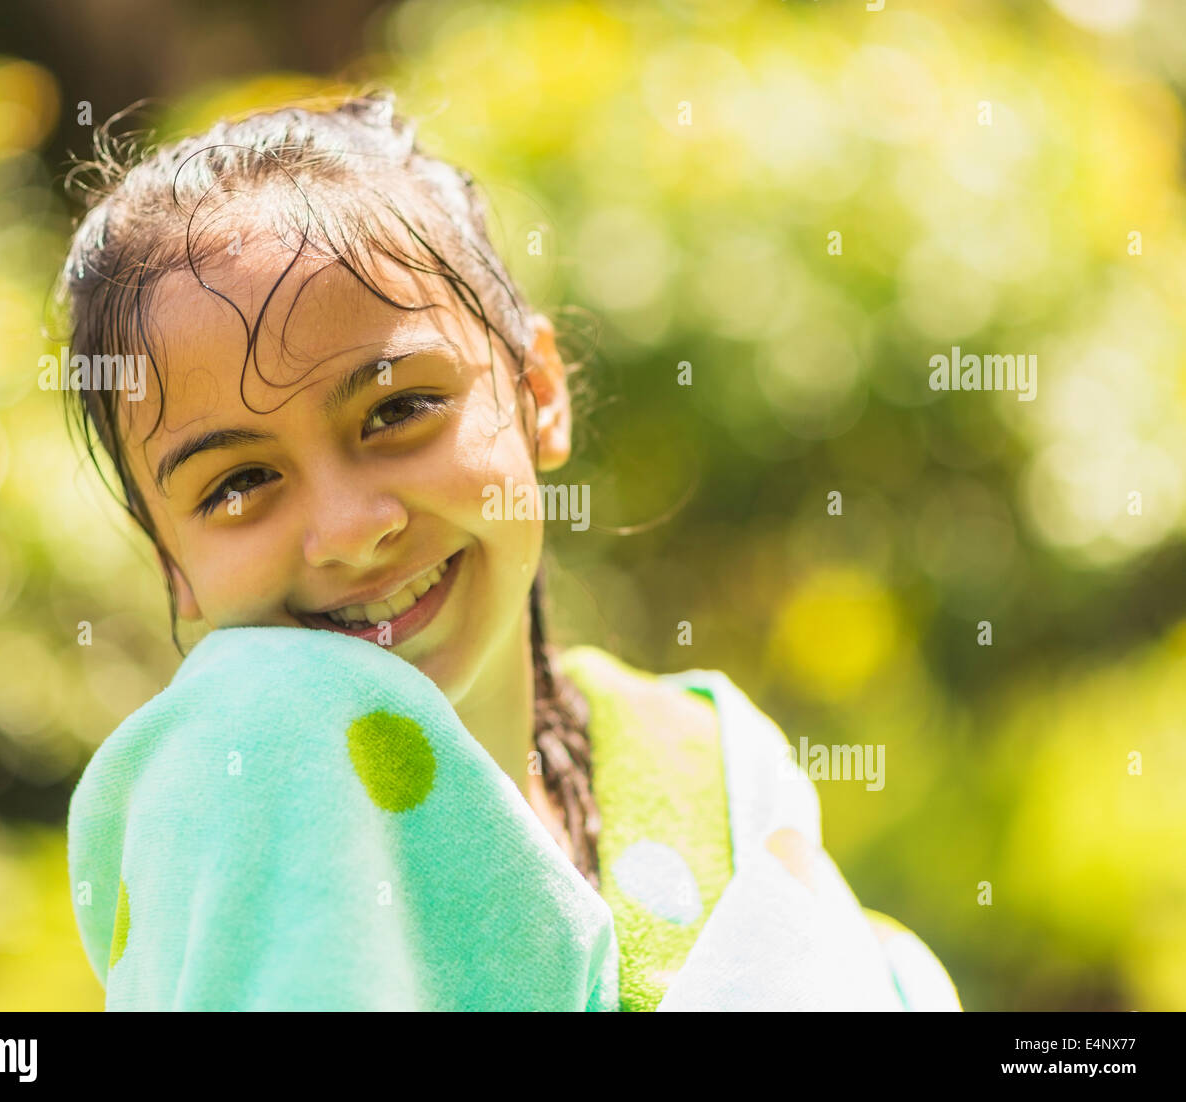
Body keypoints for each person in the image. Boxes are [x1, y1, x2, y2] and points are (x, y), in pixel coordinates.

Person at [59, 89, 960, 1011]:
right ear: (175, 568)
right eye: (238, 484)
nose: (352, 529)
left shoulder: (713, 768)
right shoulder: (241, 765)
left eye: (398, 409)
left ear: (538, 391)